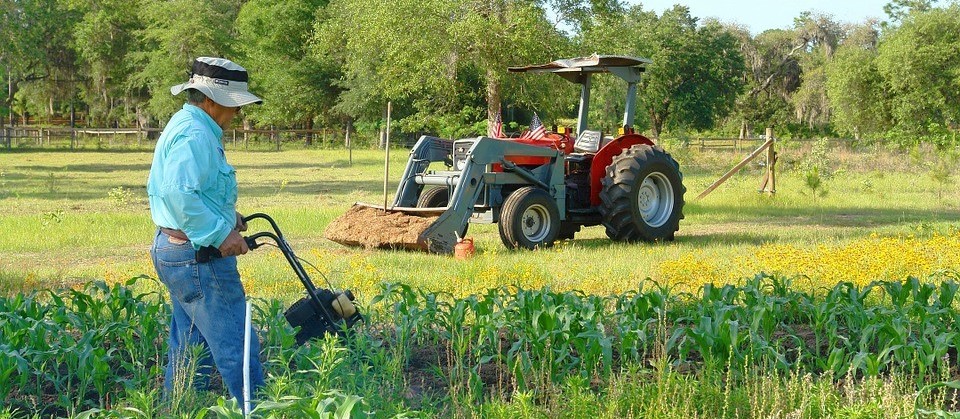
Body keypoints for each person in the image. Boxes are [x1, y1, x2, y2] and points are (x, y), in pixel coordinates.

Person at [147, 57, 264, 403]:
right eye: (234, 106)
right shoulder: (196, 133)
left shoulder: (188, 124)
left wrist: (229, 217)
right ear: (212, 101)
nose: (238, 114)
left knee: (189, 345)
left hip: (177, 251)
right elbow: (178, 192)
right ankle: (255, 409)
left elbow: (195, 190)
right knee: (236, 345)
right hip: (198, 256)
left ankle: (180, 408)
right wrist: (221, 234)